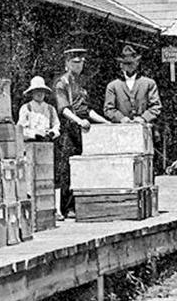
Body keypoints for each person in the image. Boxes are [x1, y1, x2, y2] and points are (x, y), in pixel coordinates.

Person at [53, 48, 107, 218]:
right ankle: (67, 207)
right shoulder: (62, 83)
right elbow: (64, 109)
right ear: (67, 63)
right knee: (69, 168)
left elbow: (87, 110)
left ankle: (80, 205)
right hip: (69, 128)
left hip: (83, 128)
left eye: (81, 62)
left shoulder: (82, 84)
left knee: (84, 167)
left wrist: (106, 122)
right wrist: (79, 121)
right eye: (75, 62)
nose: (79, 65)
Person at [103, 44, 162, 124]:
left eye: (131, 63)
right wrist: (121, 118)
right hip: (121, 128)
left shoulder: (149, 83)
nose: (129, 67)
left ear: (137, 63)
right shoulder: (113, 86)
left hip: (143, 127)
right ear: (121, 65)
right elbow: (108, 109)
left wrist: (143, 118)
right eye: (125, 64)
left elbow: (156, 106)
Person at [16, 76, 60, 141]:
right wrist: (34, 134)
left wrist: (52, 133)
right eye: (37, 90)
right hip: (30, 143)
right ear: (32, 92)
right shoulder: (26, 108)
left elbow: (56, 125)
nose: (40, 93)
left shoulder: (50, 109)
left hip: (47, 143)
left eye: (42, 90)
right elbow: (20, 129)